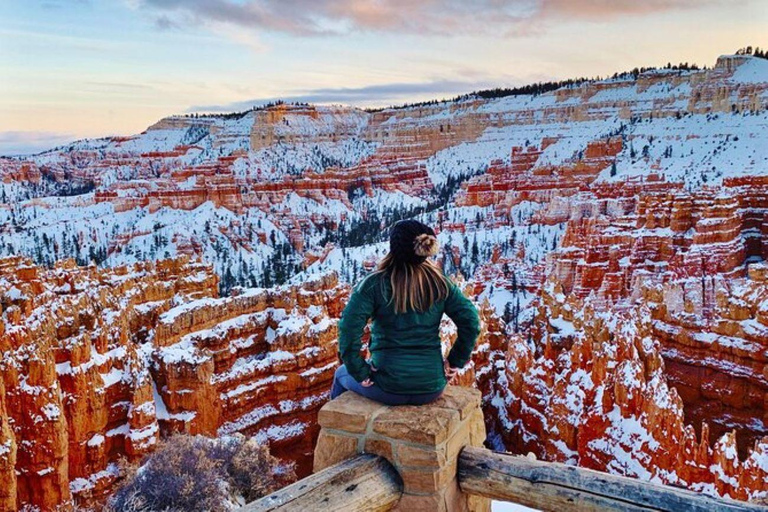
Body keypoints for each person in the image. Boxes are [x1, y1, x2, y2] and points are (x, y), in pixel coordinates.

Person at [331, 219, 480, 406]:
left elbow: (348, 328)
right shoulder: (440, 282)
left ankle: (341, 430)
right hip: (432, 387)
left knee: (340, 375)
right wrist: (456, 360)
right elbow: (471, 321)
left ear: (394, 247)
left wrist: (359, 371)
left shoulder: (374, 284)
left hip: (386, 385)